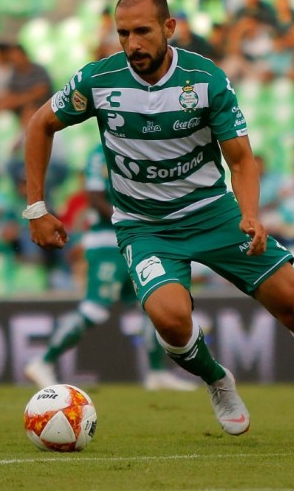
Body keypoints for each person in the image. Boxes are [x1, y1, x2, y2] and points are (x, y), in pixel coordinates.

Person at [22, 0, 294, 446]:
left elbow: (241, 160)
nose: (132, 44)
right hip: (146, 226)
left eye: (142, 31)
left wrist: (250, 214)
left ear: (169, 29)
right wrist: (36, 207)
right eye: (123, 34)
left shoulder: (205, 80)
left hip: (212, 213)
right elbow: (40, 124)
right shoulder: (99, 80)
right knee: (170, 318)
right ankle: (217, 379)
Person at [24, 145, 198, 392]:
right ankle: (42, 362)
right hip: (109, 243)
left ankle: (156, 373)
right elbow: (95, 199)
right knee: (94, 309)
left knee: (153, 306)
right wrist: (133, 221)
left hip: (136, 242)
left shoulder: (143, 145)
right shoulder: (100, 152)